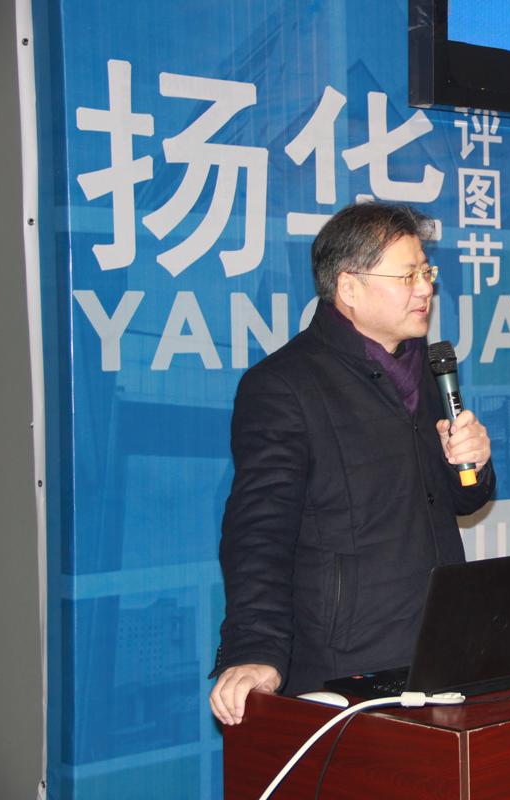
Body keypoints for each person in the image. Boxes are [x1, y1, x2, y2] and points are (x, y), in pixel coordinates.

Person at [208, 203, 495, 726]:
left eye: (426, 273)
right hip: (348, 667)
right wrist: (255, 649)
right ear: (349, 287)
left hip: (442, 649)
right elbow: (258, 532)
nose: (425, 289)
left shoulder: (427, 373)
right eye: (407, 276)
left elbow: (459, 500)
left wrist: (472, 463)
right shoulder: (285, 386)